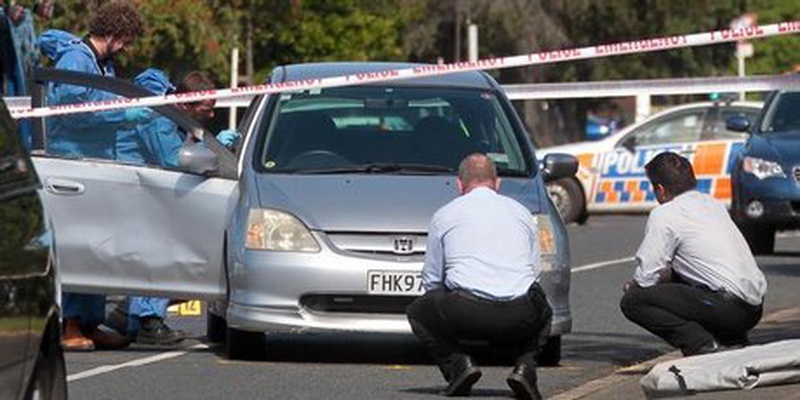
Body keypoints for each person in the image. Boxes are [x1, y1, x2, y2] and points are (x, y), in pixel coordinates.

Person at [38, 0, 144, 351]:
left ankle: (88, 322)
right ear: (114, 34)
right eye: (126, 40)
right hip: (74, 168)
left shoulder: (102, 64)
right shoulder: (76, 60)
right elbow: (72, 113)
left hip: (96, 165)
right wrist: (123, 116)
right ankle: (69, 323)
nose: (126, 47)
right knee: (78, 246)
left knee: (99, 246)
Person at [406, 153, 552, 400]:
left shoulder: (445, 215)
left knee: (419, 311)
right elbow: (534, 273)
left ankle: (458, 366)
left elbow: (432, 279)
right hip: (519, 314)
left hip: (467, 312)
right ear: (497, 183)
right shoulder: (522, 213)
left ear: (459, 184)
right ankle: (526, 369)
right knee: (544, 309)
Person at [620, 152, 767, 356]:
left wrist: (633, 286)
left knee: (634, 301)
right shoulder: (713, 204)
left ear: (660, 189)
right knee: (685, 278)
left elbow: (647, 276)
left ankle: (701, 345)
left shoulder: (665, 214)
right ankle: (733, 339)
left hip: (727, 309)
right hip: (753, 309)